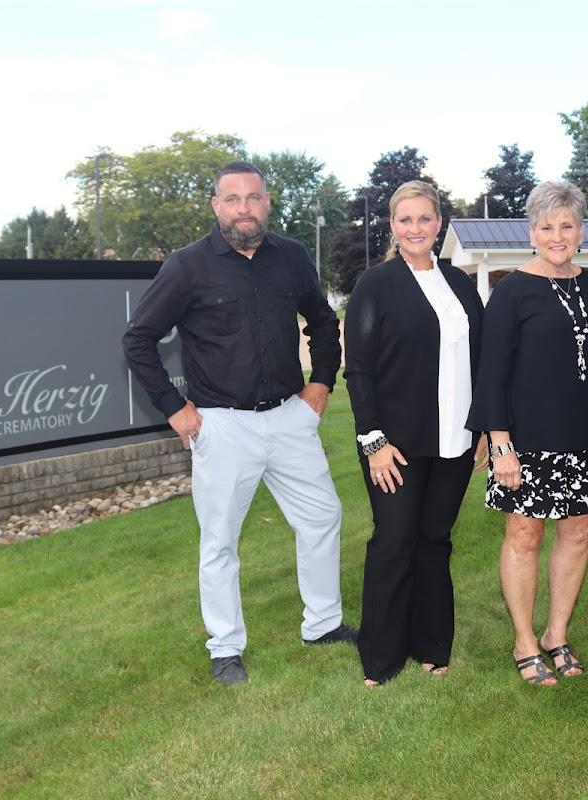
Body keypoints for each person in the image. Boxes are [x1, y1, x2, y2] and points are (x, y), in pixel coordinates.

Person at [122, 160, 355, 687]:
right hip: (222, 426)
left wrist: (321, 382)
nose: (244, 208)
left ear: (267, 203)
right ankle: (225, 649)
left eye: (253, 197)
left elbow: (322, 321)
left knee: (322, 518)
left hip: (290, 419)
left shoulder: (291, 257)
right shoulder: (187, 266)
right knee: (220, 542)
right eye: (233, 199)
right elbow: (138, 339)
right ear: (216, 206)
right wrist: (173, 407)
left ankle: (323, 624)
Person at [466, 181, 588, 687]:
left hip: (583, 434)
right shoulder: (511, 291)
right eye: (547, 227)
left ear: (581, 231)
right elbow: (491, 374)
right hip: (525, 439)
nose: (557, 236)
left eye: (567, 225)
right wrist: (500, 443)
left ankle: (557, 634)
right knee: (524, 534)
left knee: (578, 531)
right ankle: (525, 641)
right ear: (531, 232)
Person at [344, 180, 485, 686]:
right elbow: (359, 371)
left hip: (455, 440)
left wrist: (484, 427)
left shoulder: (460, 283)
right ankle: (381, 658)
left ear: (439, 223)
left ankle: (431, 643)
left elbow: (480, 358)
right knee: (394, 541)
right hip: (395, 446)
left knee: (434, 540)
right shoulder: (375, 285)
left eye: (425, 218)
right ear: (393, 225)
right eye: (406, 219)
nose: (416, 228)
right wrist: (373, 441)